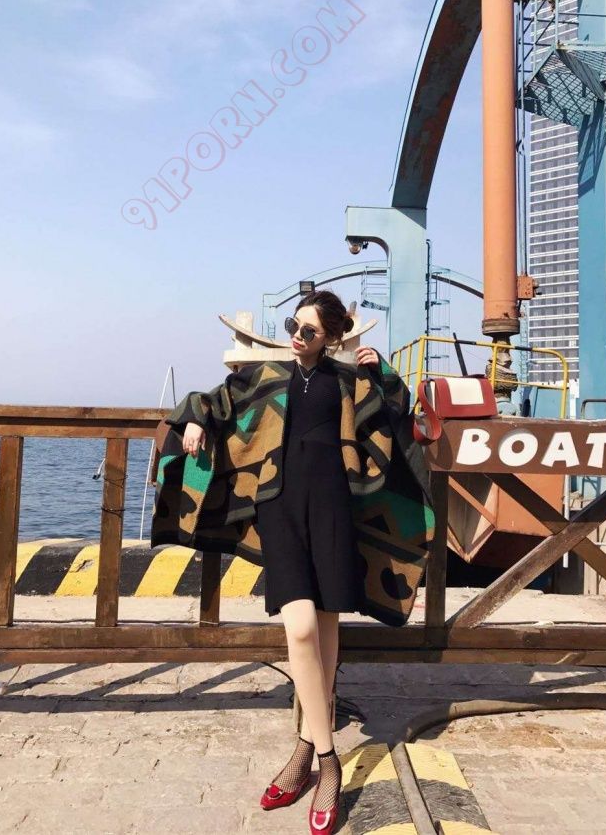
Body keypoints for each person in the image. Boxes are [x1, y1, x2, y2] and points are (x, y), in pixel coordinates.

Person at [153, 288, 435, 835]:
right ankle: (329, 761)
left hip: (333, 510)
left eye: (308, 331)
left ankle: (303, 749)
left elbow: (403, 417)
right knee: (301, 626)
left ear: (331, 337)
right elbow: (213, 400)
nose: (296, 337)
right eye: (293, 326)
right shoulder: (269, 376)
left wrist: (384, 373)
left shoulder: (348, 381)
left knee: (326, 629)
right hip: (277, 507)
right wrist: (193, 420)